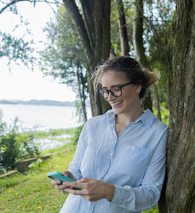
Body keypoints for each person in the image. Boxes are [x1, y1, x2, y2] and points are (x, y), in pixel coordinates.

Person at [50, 56, 168, 212]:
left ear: (137, 86)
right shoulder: (93, 125)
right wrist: (69, 179)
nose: (109, 97)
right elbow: (77, 170)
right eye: (105, 90)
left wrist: (110, 191)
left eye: (116, 88)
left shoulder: (158, 133)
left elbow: (151, 194)